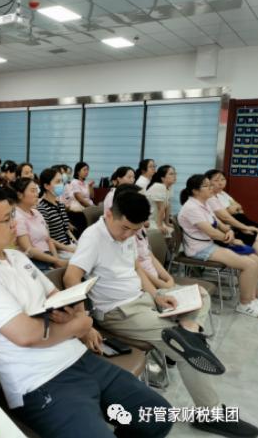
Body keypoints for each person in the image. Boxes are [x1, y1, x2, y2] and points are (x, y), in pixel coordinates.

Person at [0, 187, 172, 438]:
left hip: (78, 357)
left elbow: (56, 297)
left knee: (158, 415)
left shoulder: (16, 257)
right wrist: (78, 325)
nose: (15, 224)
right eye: (7, 219)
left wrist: (75, 317)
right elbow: (26, 334)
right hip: (40, 381)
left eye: (13, 216)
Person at [64, 187, 258, 437]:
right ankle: (209, 413)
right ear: (109, 214)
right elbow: (71, 278)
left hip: (144, 299)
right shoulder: (93, 237)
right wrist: (83, 321)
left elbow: (135, 268)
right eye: (125, 228)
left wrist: (157, 295)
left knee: (200, 294)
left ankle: (190, 330)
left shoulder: (128, 232)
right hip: (119, 312)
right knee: (186, 349)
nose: (128, 235)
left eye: (134, 230)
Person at [178, 174, 258, 317]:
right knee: (249, 265)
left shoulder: (205, 203)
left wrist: (229, 231)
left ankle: (252, 299)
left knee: (254, 258)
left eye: (210, 184)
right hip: (200, 249)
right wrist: (232, 240)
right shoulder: (191, 208)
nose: (211, 188)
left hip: (210, 245)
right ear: (195, 191)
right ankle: (245, 304)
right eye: (207, 185)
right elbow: (212, 233)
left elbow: (220, 224)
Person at [12, 177, 67, 271]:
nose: (37, 194)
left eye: (36, 190)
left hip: (49, 257)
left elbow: (48, 240)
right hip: (33, 261)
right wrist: (56, 261)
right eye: (32, 191)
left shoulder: (36, 212)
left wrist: (56, 261)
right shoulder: (17, 216)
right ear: (20, 195)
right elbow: (28, 249)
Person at [205, 169, 258, 251]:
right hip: (229, 227)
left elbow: (239, 207)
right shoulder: (209, 197)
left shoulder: (223, 193)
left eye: (223, 179)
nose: (220, 183)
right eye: (216, 180)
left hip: (240, 221)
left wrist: (230, 210)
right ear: (208, 182)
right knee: (253, 235)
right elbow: (225, 217)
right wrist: (245, 228)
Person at [36, 168, 76, 257]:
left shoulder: (60, 205)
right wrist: (69, 249)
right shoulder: (42, 208)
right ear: (46, 186)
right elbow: (47, 238)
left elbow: (66, 230)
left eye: (61, 181)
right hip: (59, 250)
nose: (61, 184)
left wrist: (76, 244)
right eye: (57, 182)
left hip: (70, 246)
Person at [146, 165, 176, 236]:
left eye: (175, 173)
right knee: (167, 233)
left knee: (172, 231)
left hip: (158, 220)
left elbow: (168, 205)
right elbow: (160, 208)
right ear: (162, 178)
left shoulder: (169, 187)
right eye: (171, 174)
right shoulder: (159, 186)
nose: (175, 176)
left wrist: (167, 222)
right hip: (149, 220)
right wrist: (159, 226)